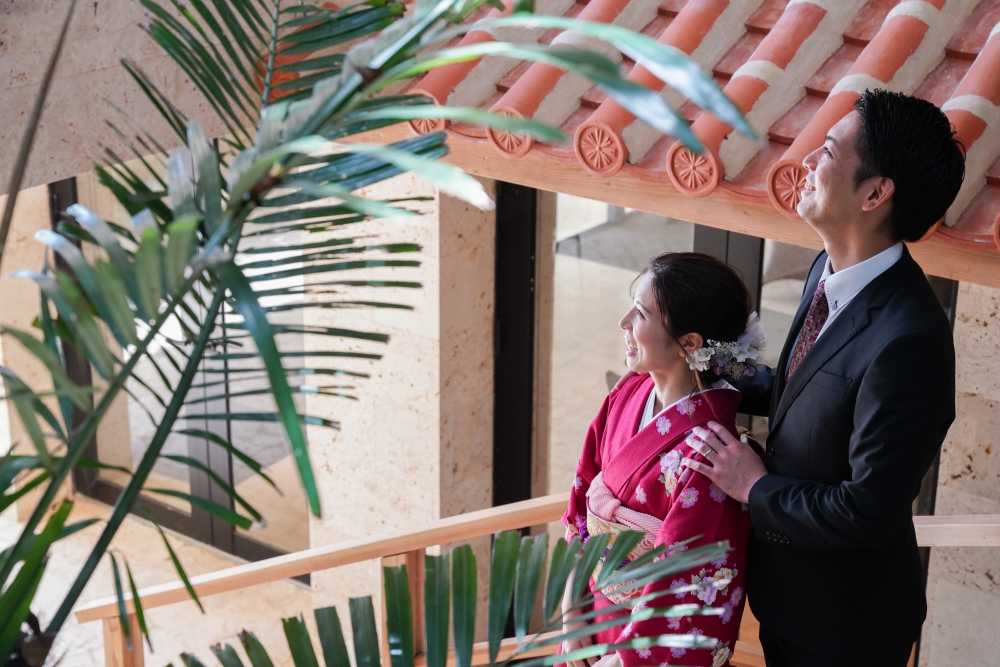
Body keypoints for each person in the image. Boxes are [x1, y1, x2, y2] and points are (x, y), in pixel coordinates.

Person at [677, 89, 965, 666]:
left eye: (828, 151)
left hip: (846, 627)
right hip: (787, 600)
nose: (807, 160)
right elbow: (800, 389)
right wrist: (701, 364)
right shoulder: (827, 267)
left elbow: (866, 509)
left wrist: (753, 486)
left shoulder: (910, 342)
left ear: (875, 194)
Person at [560, 252, 767, 667]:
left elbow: (686, 591)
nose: (624, 322)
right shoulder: (628, 391)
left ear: (690, 343)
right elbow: (583, 495)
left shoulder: (711, 454)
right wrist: (570, 610)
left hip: (636, 648)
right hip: (587, 615)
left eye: (640, 313)